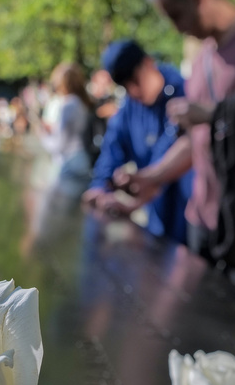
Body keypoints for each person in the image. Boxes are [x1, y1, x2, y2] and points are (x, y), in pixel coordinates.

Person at [117, 0, 235, 302]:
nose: (178, 28)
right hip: (201, 221)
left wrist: (211, 113)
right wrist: (151, 177)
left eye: (177, 14)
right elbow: (197, 141)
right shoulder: (202, 58)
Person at [82, 40, 191, 244]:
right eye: (125, 85)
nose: (133, 90)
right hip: (156, 218)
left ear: (148, 63)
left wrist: (143, 185)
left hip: (189, 216)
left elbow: (173, 153)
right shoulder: (129, 109)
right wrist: (99, 186)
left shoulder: (183, 93)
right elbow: (111, 149)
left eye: (135, 80)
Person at [36, 63, 94, 196]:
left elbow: (59, 145)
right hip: (81, 160)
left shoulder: (68, 105)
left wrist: (43, 135)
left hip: (69, 163)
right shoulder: (82, 103)